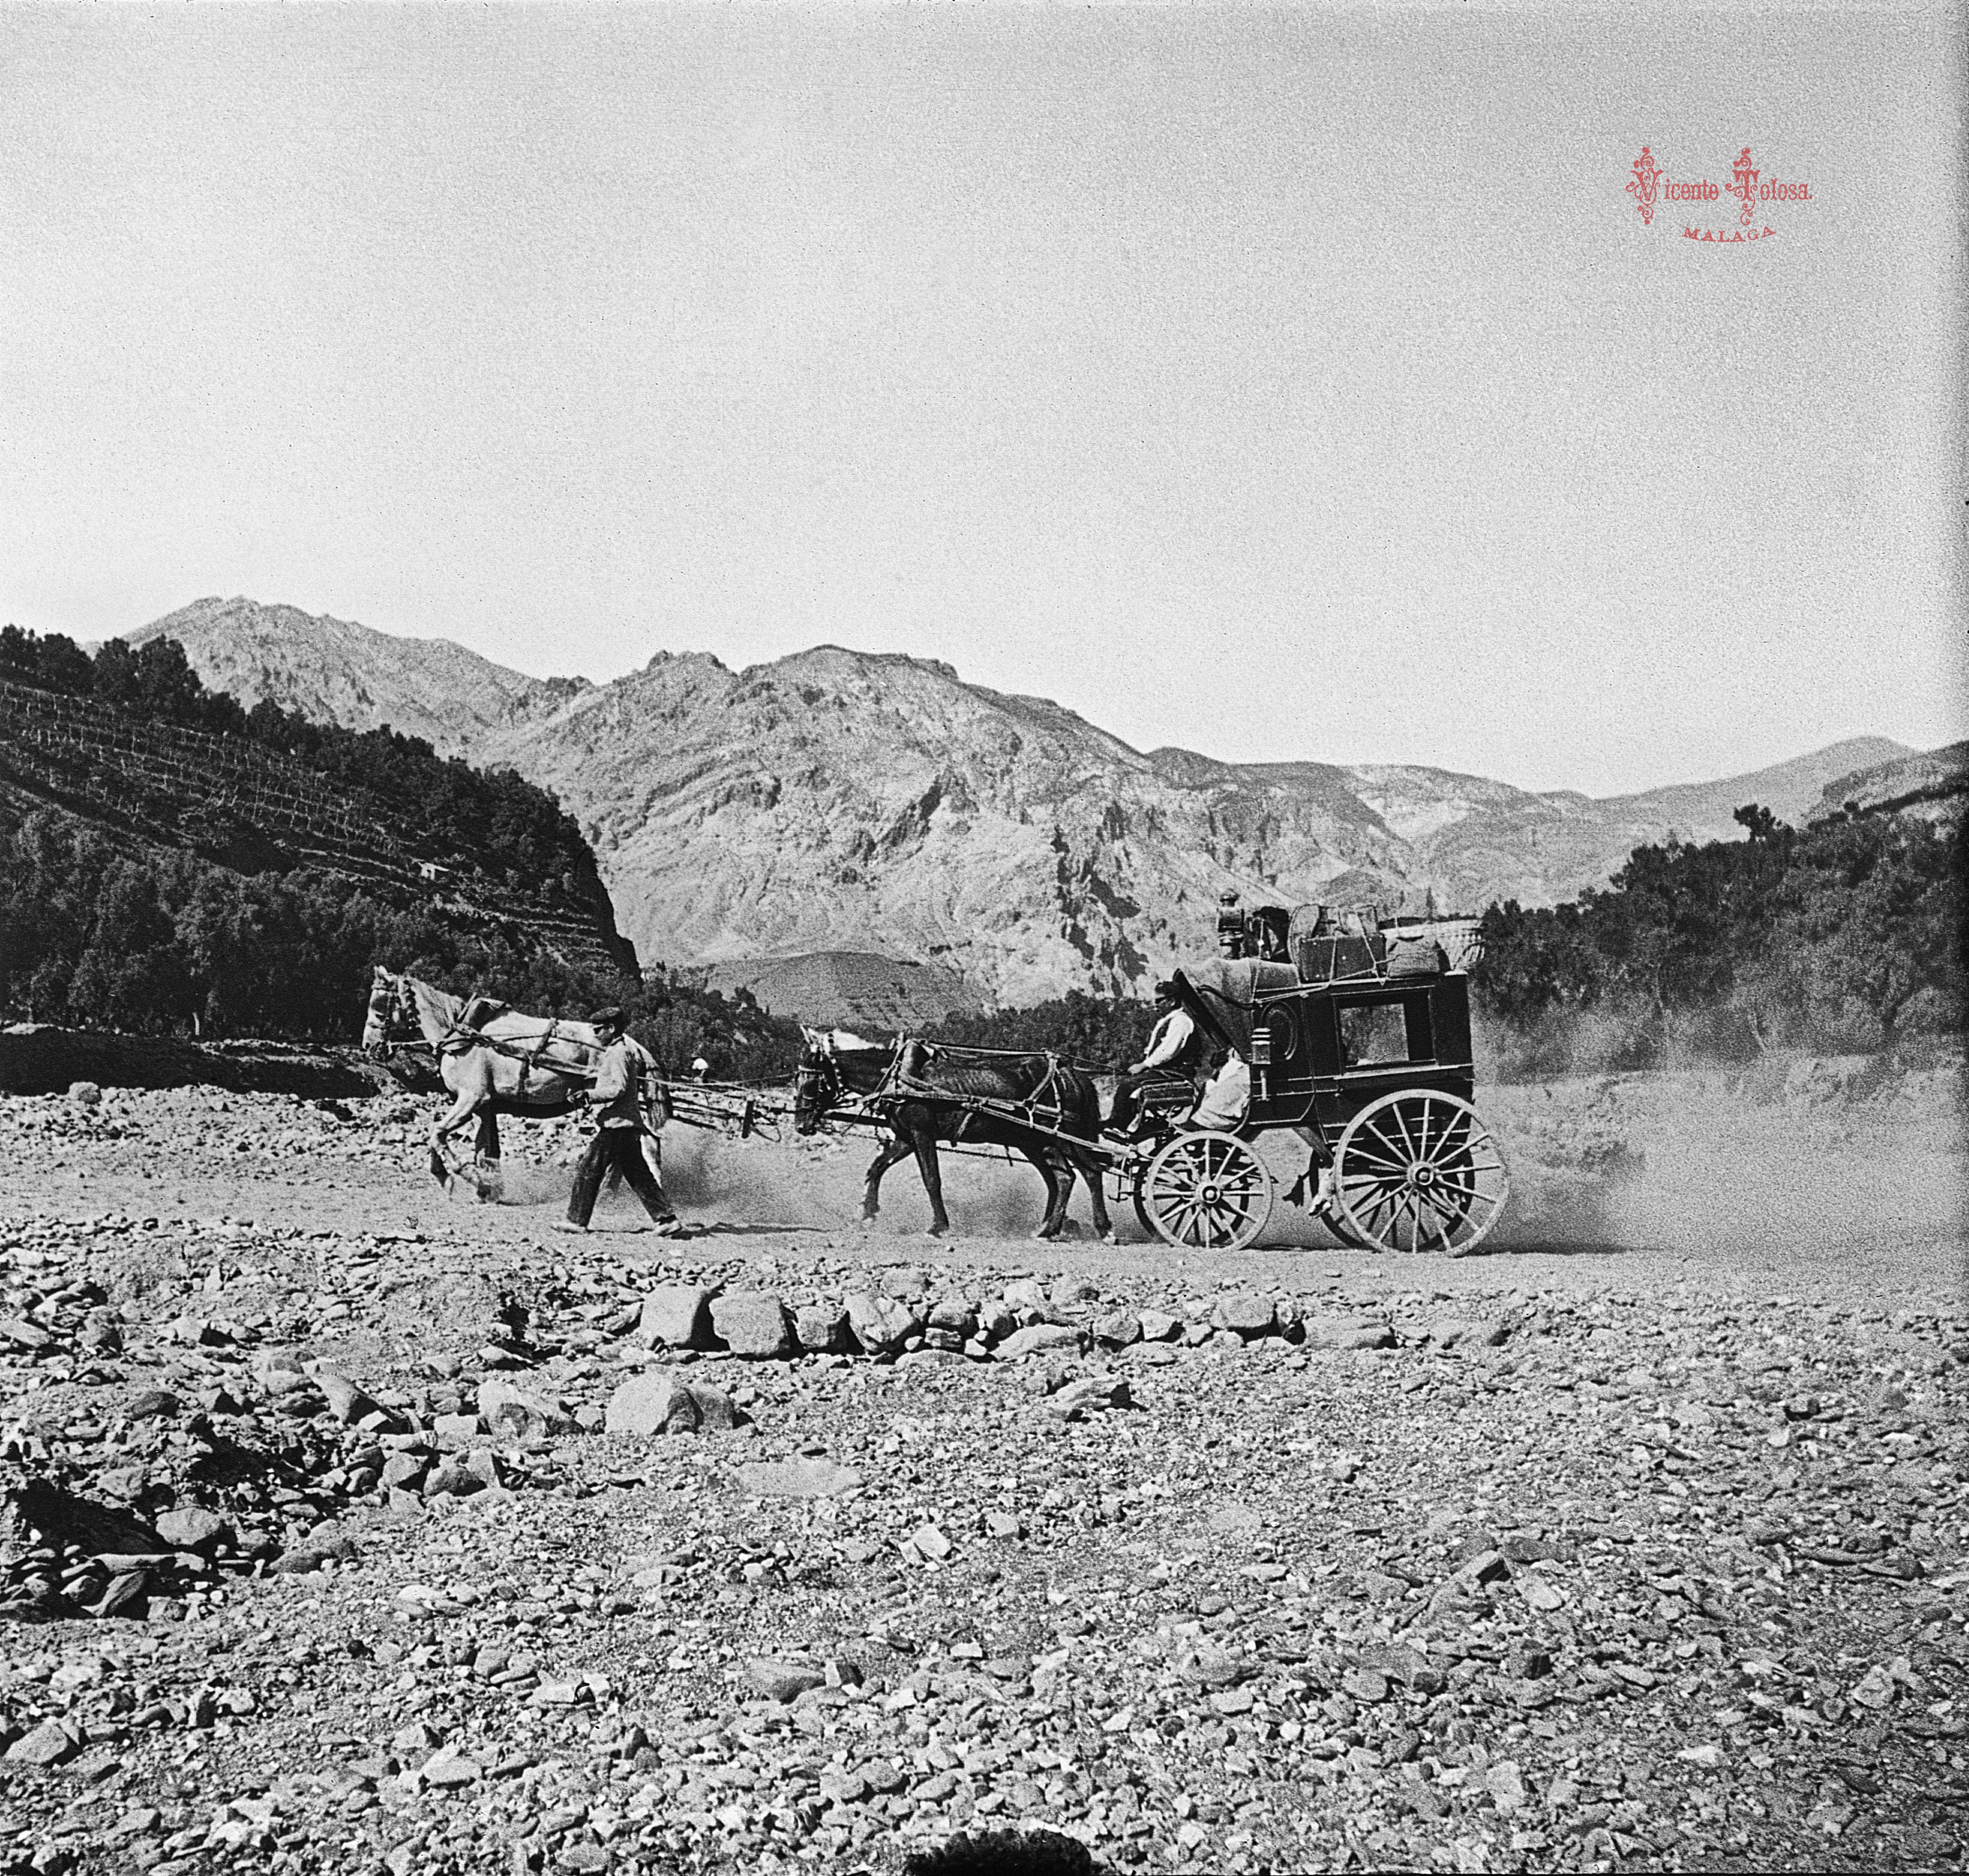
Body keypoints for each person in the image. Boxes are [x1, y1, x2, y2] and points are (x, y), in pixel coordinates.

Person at [555, 1007, 683, 1236]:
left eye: (598, 1031)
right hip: (625, 1124)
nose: (595, 1036)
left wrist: (589, 1096)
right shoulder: (622, 1050)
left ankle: (576, 1221)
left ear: (611, 1029)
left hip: (617, 1125)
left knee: (588, 1168)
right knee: (638, 1174)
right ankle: (666, 1220)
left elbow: (618, 1089)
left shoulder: (618, 1053)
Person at [1107, 981, 1203, 1139]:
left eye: (1159, 1001)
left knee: (1127, 1086)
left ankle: (1119, 1127)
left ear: (1172, 1001)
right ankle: (1130, 1126)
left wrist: (1145, 1065)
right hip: (1165, 1071)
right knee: (1129, 1083)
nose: (1156, 1005)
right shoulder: (1168, 1020)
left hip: (1175, 1074)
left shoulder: (1181, 1021)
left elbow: (1168, 1051)